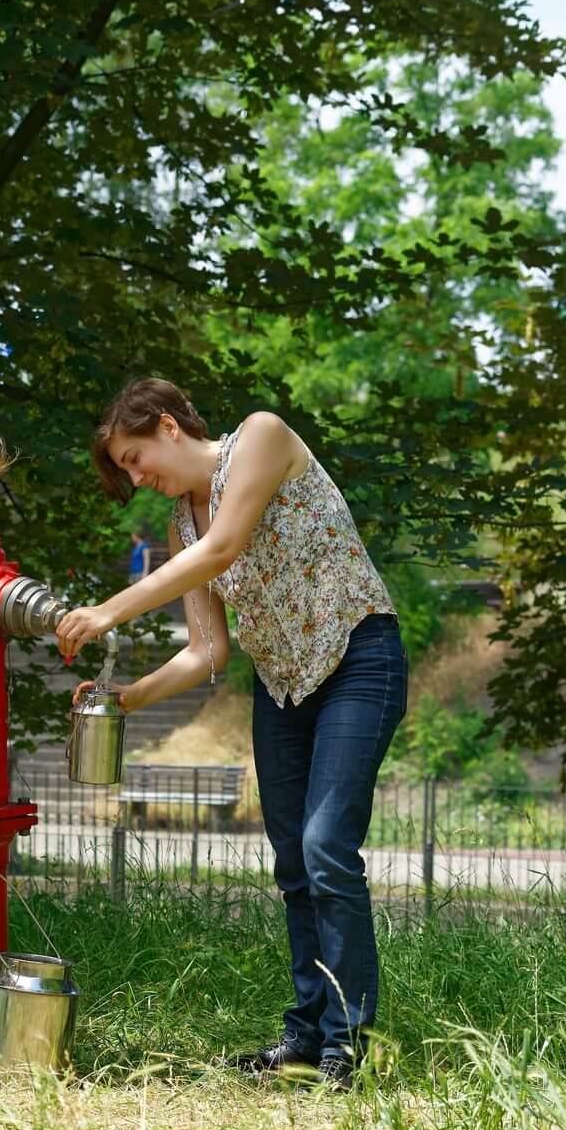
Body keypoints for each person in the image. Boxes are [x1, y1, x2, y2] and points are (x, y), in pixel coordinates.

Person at [57, 378, 407, 1090]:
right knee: (291, 863)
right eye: (126, 468)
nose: (137, 476)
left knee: (325, 849)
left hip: (359, 658)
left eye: (134, 456)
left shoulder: (261, 437)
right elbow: (208, 650)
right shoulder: (179, 528)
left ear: (166, 425)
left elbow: (225, 549)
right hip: (282, 686)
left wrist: (108, 612)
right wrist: (128, 698)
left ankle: (349, 1045)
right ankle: (306, 1037)